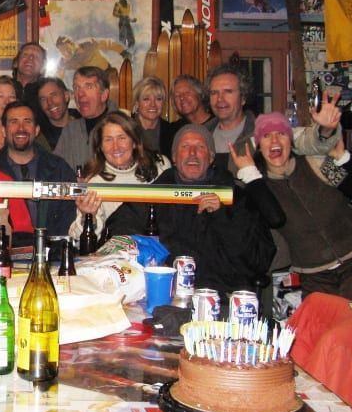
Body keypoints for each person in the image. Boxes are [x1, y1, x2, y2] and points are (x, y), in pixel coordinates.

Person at [106, 124, 276, 298]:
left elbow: (258, 259)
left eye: (200, 147)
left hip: (221, 295)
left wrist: (222, 217)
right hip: (164, 293)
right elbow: (117, 231)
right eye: (185, 146)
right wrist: (152, 255)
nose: (192, 153)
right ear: (174, 157)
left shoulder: (236, 197)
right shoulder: (156, 194)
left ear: (211, 157)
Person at [232, 111, 352, 309]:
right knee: (321, 326)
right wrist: (250, 175)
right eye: (266, 136)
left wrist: (343, 158)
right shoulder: (258, 187)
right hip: (314, 274)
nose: (274, 140)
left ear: (291, 141)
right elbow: (275, 218)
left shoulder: (316, 163)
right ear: (259, 146)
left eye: (281, 134)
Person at [207, 63, 340, 172]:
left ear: (243, 98)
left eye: (228, 92)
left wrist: (325, 130)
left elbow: (306, 141)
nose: (220, 99)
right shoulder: (201, 134)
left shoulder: (264, 130)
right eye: (214, 93)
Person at [70, 111, 170, 241]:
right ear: (100, 146)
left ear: (134, 142)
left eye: (121, 138)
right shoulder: (94, 183)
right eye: (108, 140)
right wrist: (88, 217)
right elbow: (78, 239)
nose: (115, 147)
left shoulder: (160, 166)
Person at [0, 102, 75, 236]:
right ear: (4, 130)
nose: (21, 128)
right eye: (14, 122)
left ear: (36, 130)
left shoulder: (59, 169)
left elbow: (70, 219)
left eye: (27, 122)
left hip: (53, 248)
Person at [54, 66, 111, 171]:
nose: (80, 94)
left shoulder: (122, 128)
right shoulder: (70, 130)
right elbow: (55, 169)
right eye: (76, 88)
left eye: (88, 86)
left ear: (104, 95)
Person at [35, 77, 80, 150]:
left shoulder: (87, 124)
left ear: (66, 96)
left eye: (54, 95)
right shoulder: (39, 137)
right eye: (43, 99)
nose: (50, 102)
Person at [132, 76, 172, 157]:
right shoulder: (126, 128)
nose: (153, 104)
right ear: (137, 103)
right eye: (146, 99)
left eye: (158, 99)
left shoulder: (171, 131)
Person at [12, 42, 46, 109]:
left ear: (42, 68)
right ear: (16, 63)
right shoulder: (2, 88)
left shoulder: (46, 93)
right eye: (25, 55)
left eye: (36, 56)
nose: (31, 58)